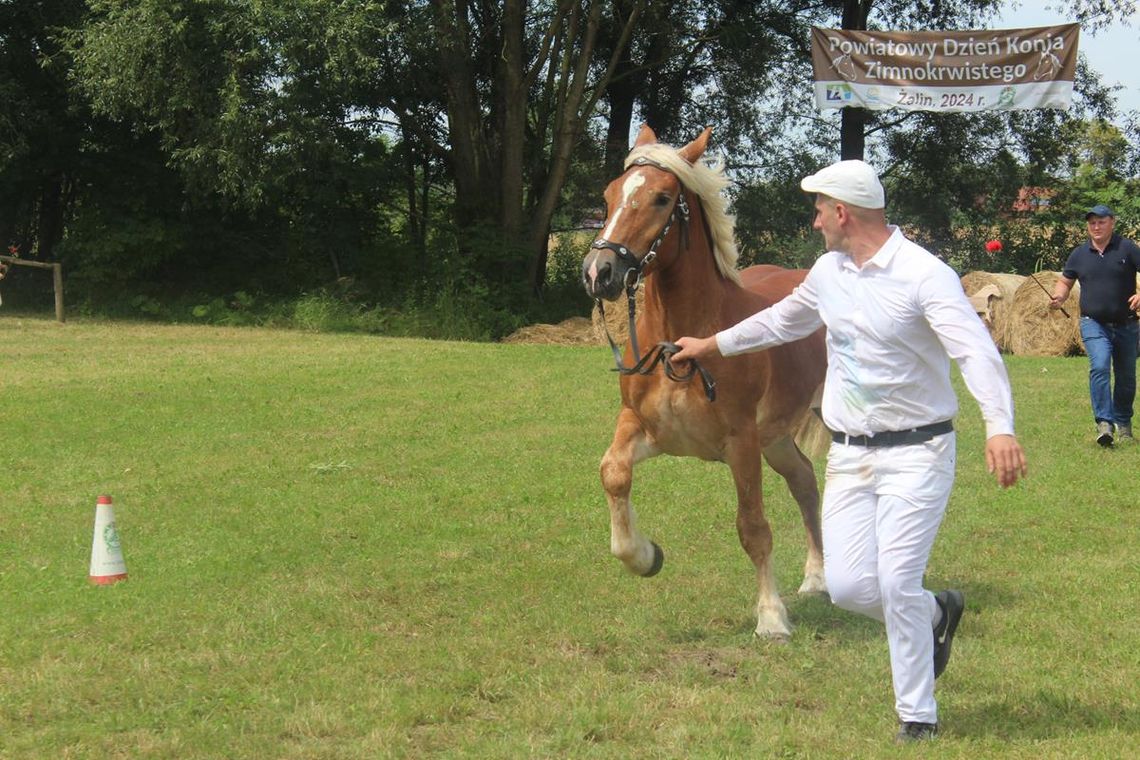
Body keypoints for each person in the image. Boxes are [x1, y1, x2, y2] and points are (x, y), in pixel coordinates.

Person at [671, 160, 1027, 744]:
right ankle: (936, 613)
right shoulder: (829, 271)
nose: (814, 222)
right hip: (850, 455)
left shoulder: (922, 274)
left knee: (894, 583)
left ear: (843, 212)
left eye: (818, 210)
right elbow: (785, 319)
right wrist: (711, 344)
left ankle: (918, 717)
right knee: (849, 588)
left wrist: (1000, 427)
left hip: (919, 451)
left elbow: (974, 353)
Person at [1049, 204, 1140, 446]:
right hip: (1093, 323)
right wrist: (1059, 296)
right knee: (1099, 366)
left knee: (1126, 377)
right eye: (1092, 223)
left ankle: (1123, 423)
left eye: (1101, 222)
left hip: (1127, 324)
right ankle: (1104, 424)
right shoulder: (1079, 254)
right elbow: (1065, 281)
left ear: (1112, 222)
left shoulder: (1127, 248)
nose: (1096, 227)